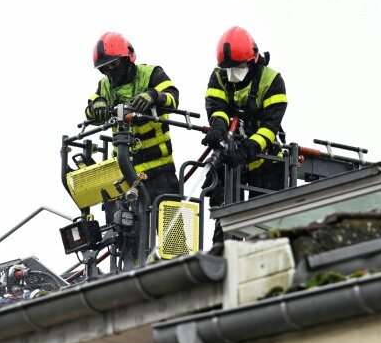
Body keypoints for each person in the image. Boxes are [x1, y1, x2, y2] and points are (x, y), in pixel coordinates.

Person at [201, 26, 288, 244]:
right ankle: (222, 265)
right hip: (229, 158)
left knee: (261, 230)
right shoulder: (220, 77)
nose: (232, 72)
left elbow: (270, 126)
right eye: (228, 68)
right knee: (225, 226)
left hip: (265, 161)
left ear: (252, 60)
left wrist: (248, 149)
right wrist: (218, 128)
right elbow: (216, 106)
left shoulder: (272, 80)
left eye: (238, 67)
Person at [85, 32, 181, 206]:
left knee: (172, 229)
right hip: (125, 173)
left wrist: (153, 95)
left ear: (127, 58)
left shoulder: (151, 74)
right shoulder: (104, 85)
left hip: (160, 171)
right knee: (126, 231)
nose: (111, 71)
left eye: (114, 64)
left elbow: (173, 98)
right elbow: (89, 110)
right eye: (105, 68)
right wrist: (97, 104)